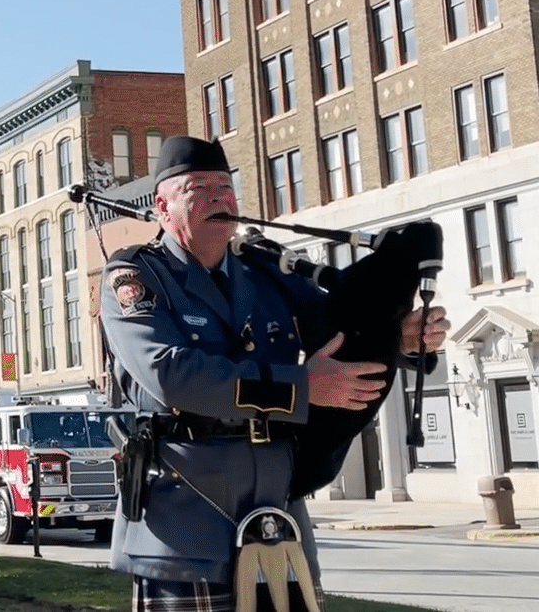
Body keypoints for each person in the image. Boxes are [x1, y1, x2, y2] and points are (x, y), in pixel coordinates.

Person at [100, 135, 449, 612]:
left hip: (277, 509)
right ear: (162, 206)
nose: (219, 196)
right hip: (187, 519)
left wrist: (401, 339)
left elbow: (339, 330)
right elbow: (171, 374)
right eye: (199, 187)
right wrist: (302, 387)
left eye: (225, 185)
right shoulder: (137, 278)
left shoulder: (264, 274)